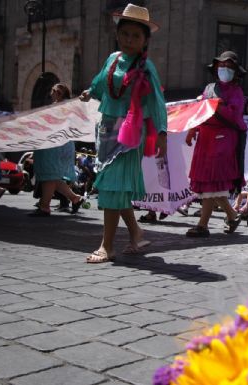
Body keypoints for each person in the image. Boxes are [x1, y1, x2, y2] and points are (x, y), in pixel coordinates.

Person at [79, 3, 167, 263]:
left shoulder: (146, 67)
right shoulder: (113, 58)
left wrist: (161, 131)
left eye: (136, 36)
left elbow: (157, 102)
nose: (129, 40)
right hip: (107, 127)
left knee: (113, 184)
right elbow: (100, 82)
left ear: (145, 41)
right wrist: (89, 92)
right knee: (115, 185)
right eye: (125, 34)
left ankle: (107, 245)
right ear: (118, 34)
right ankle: (136, 233)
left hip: (129, 134)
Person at [185, 50, 247, 237]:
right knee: (209, 183)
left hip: (224, 139)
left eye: (229, 66)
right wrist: (192, 129)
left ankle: (203, 225)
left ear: (236, 71)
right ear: (216, 68)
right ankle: (232, 215)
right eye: (222, 65)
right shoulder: (209, 88)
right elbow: (200, 111)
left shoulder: (237, 92)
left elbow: (234, 115)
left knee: (214, 181)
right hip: (205, 139)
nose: (225, 69)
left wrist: (218, 105)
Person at [28, 83, 85, 217]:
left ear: (58, 92)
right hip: (59, 144)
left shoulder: (60, 107)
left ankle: (44, 206)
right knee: (53, 176)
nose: (51, 93)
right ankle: (75, 199)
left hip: (56, 146)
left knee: (49, 174)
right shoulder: (65, 107)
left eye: (53, 91)